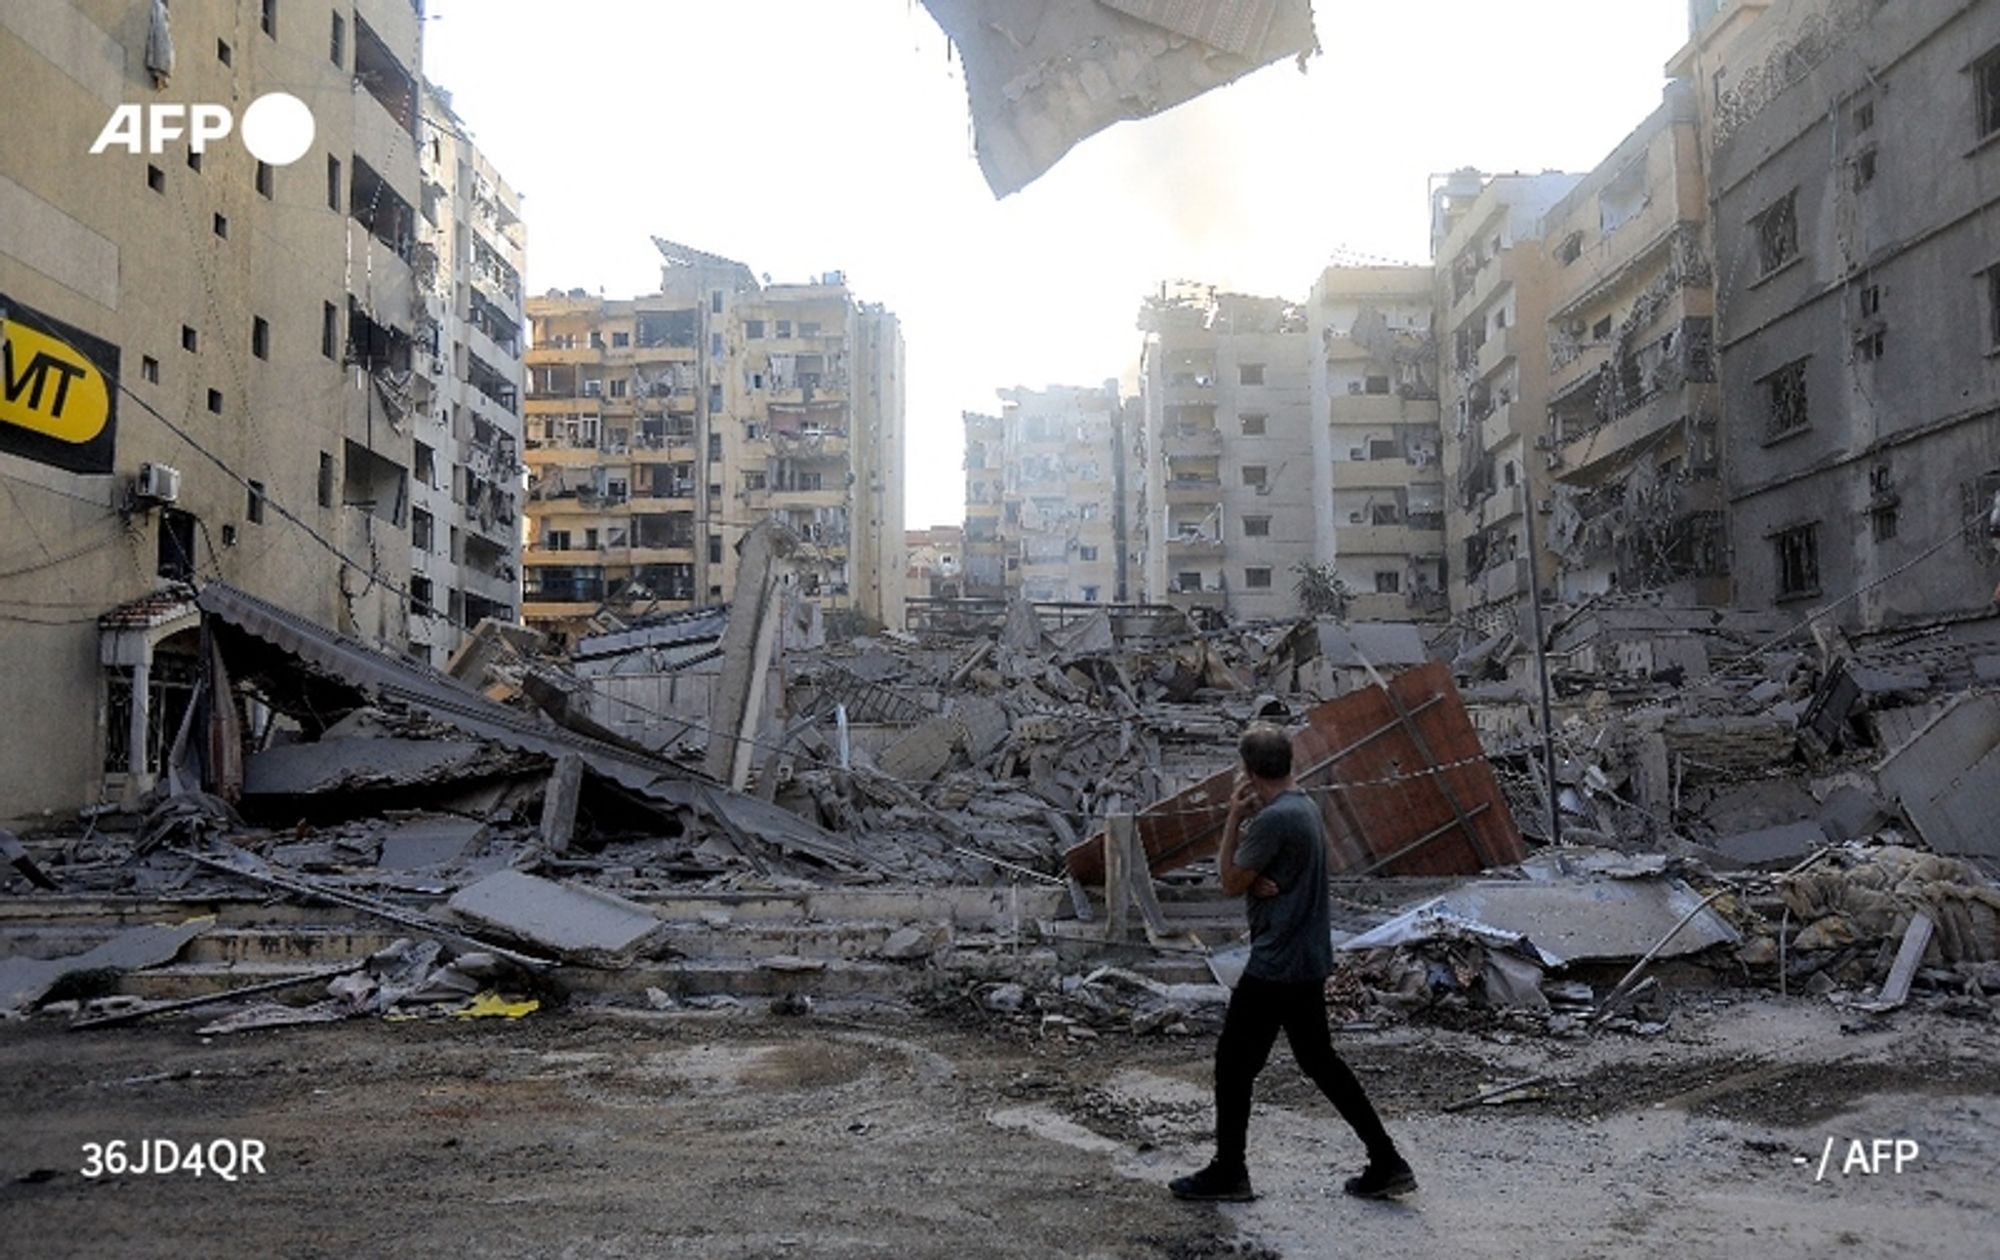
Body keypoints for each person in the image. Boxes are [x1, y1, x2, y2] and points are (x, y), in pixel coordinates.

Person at [1170, 724, 1415, 1203]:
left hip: (1276, 964)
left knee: (1234, 1066)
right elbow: (1260, 872)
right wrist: (1256, 871)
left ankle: (1229, 1173)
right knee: (1319, 1061)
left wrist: (1231, 821)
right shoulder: (1302, 808)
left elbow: (1228, 881)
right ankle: (1386, 1161)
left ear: (1247, 771)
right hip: (1305, 959)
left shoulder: (1272, 821)